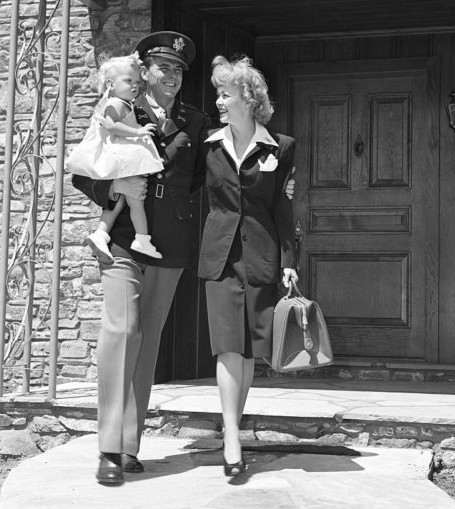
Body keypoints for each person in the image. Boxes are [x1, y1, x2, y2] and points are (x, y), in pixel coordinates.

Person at [71, 31, 211, 485]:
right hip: (123, 239)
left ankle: (130, 445)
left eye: (178, 70)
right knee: (121, 330)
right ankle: (109, 447)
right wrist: (112, 189)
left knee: (147, 341)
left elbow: (199, 182)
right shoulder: (120, 108)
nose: (171, 77)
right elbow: (82, 169)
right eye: (163, 68)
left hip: (169, 241)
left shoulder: (196, 119)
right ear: (145, 72)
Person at [198, 55, 298, 477]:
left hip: (261, 256)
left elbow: (283, 207)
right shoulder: (207, 146)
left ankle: (230, 429)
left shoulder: (282, 148)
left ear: (249, 98)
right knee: (227, 346)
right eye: (218, 93)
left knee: (249, 353)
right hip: (220, 258)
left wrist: (289, 261)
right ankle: (234, 438)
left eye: (226, 93)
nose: (219, 100)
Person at [66, 54, 165, 260]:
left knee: (124, 200)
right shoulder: (117, 103)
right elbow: (111, 125)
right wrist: (138, 132)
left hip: (123, 160)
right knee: (135, 199)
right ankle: (141, 238)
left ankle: (103, 233)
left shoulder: (122, 103)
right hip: (122, 159)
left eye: (137, 82)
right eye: (129, 81)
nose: (135, 86)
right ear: (111, 84)